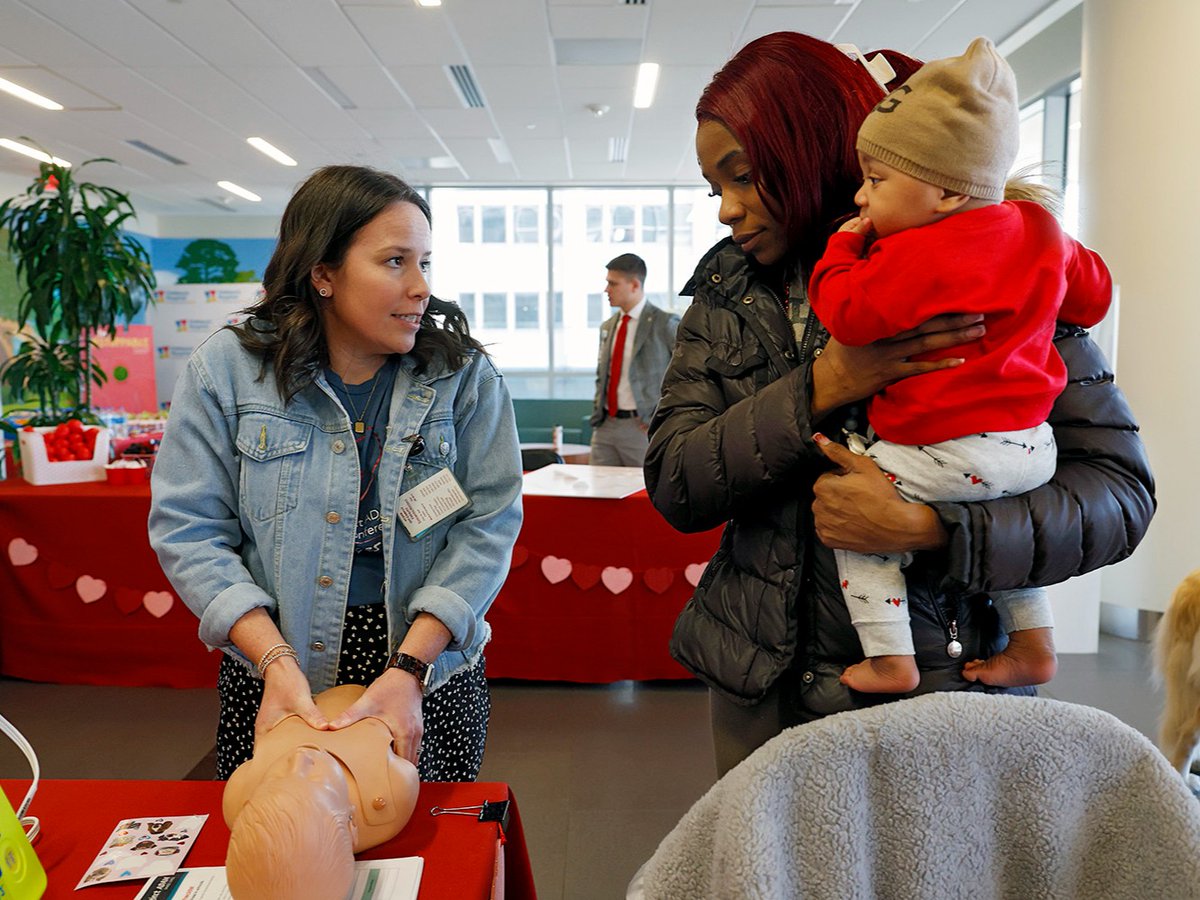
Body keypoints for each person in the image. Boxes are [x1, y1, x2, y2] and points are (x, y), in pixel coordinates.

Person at [644, 32, 1155, 777]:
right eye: (712, 186)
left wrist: (935, 530)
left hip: (941, 687)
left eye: (746, 176)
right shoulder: (726, 291)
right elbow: (676, 480)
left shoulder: (998, 261)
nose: (727, 209)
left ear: (813, 145)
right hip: (763, 689)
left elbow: (1118, 495)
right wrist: (825, 386)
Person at [149, 165, 524, 784]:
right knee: (286, 853)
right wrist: (273, 662)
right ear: (323, 273)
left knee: (427, 860)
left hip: (426, 669)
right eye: (395, 261)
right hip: (278, 666)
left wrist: (409, 669)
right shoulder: (229, 370)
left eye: (425, 263)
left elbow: (488, 521)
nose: (420, 287)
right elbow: (188, 529)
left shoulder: (462, 377)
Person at [806, 37, 1112, 694]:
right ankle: (1033, 642)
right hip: (1032, 448)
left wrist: (842, 247)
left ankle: (890, 656)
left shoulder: (914, 255)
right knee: (1003, 521)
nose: (862, 198)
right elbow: (1092, 295)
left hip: (948, 448)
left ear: (943, 193)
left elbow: (848, 314)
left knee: (857, 515)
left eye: (876, 181)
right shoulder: (1039, 229)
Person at [223, 685, 420, 900]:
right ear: (350, 824)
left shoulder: (239, 795)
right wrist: (410, 670)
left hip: (273, 694)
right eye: (315, 781)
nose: (300, 758)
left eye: (278, 779)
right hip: (394, 698)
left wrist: (274, 661)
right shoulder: (394, 787)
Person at [589, 253, 680, 467]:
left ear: (634, 285)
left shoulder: (665, 324)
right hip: (605, 426)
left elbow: (685, 376)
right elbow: (603, 376)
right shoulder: (608, 327)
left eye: (613, 283)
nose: (606, 290)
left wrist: (662, 418)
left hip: (643, 426)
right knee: (599, 495)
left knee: (644, 496)